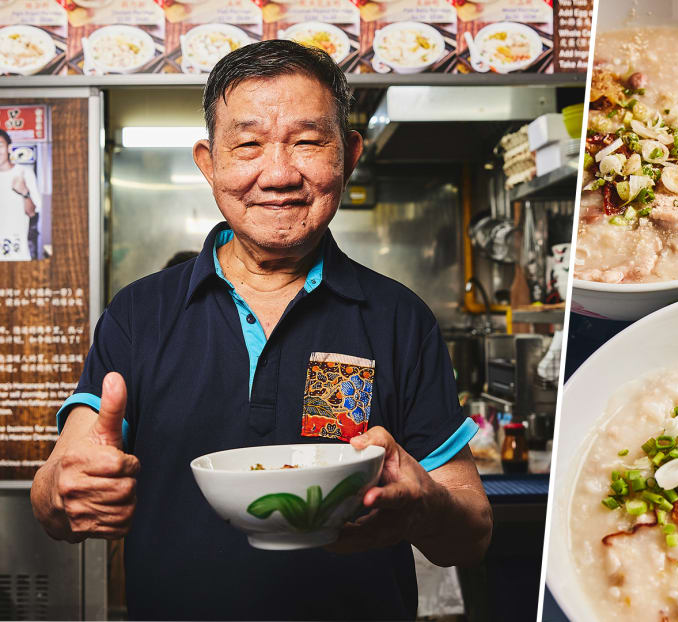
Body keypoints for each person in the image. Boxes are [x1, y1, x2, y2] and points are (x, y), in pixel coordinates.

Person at [30, 40, 493, 620]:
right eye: (248, 144)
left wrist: (426, 509)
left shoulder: (399, 317)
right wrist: (61, 491)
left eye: (307, 141)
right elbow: (56, 489)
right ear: (209, 163)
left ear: (348, 154)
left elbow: (471, 534)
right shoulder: (138, 312)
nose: (278, 174)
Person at [0, 129, 41, 261]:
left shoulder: (24, 173)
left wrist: (25, 192)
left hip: (17, 252)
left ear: (9, 148)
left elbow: (32, 213)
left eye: (0, 146)